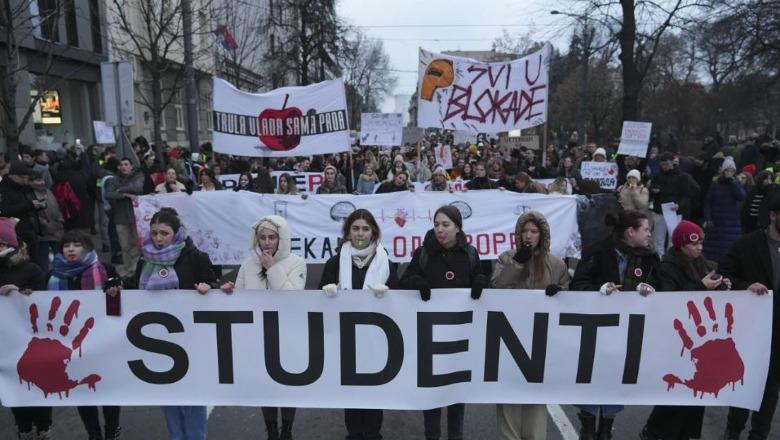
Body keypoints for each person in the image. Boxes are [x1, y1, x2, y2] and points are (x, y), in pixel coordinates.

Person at [400, 205, 489, 440]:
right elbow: (405, 280)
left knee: (456, 393)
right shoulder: (424, 253)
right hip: (430, 337)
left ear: (457, 227)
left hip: (459, 336)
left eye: (446, 225)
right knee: (432, 394)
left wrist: (481, 281)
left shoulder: (469, 253)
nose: (440, 229)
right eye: (437, 224)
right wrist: (417, 281)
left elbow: (481, 281)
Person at [571, 209, 659, 439]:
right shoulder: (597, 252)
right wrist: (598, 291)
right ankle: (588, 426)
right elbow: (577, 286)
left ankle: (607, 427)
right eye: (646, 229)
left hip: (629, 332)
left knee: (616, 378)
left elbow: (662, 287)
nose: (650, 234)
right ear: (631, 231)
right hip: (596, 330)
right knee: (592, 376)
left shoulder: (649, 258)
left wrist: (650, 290)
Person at [133, 208, 220, 440]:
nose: (159, 238)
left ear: (176, 232)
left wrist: (208, 288)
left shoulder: (195, 257)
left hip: (191, 337)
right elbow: (134, 290)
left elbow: (214, 285)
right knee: (168, 395)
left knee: (193, 394)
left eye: (164, 233)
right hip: (157, 339)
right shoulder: (145, 258)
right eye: (154, 233)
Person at [640, 221, 731, 440]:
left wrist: (723, 286)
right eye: (694, 243)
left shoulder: (702, 264)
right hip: (677, 339)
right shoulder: (668, 267)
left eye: (701, 242)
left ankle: (680, 434)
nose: (699, 247)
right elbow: (672, 299)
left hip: (698, 339)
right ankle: (656, 431)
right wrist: (702, 287)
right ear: (681, 244)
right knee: (678, 391)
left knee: (694, 392)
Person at [221, 215, 306, 440]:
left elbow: (292, 297)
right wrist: (230, 290)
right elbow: (239, 298)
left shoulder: (297, 262)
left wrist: (272, 268)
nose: (267, 242)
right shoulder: (248, 265)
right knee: (264, 387)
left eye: (272, 237)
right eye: (262, 238)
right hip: (257, 336)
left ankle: (287, 431)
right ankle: (271, 431)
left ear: (282, 238)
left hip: (287, 335)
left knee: (287, 387)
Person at [318, 209, 398, 440]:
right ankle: (353, 435)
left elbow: (401, 297)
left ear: (373, 232)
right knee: (351, 392)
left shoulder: (386, 261)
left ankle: (373, 434)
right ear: (347, 233)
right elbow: (317, 297)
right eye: (355, 228)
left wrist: (390, 293)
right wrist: (327, 294)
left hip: (377, 340)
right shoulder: (335, 262)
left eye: (365, 228)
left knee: (374, 391)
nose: (360, 233)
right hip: (345, 339)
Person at [491, 211, 570, 440]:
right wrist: (518, 263)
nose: (528, 236)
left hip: (540, 343)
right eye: (524, 231)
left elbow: (569, 295)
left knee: (535, 400)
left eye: (533, 231)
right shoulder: (507, 258)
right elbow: (496, 288)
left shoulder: (555, 264)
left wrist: (560, 293)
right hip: (509, 339)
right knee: (509, 399)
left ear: (542, 235)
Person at [46, 230, 122, 440]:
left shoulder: (105, 270)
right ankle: (93, 434)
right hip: (70, 346)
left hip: (102, 341)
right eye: (67, 245)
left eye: (77, 245)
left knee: (107, 389)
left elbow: (123, 301)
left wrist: (116, 288)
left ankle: (112, 430)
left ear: (88, 247)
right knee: (81, 391)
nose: (71, 249)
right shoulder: (53, 275)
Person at [719, 192, 780, 440]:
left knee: (770, 389)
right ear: (773, 215)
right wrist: (747, 286)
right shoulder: (748, 244)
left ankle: (759, 435)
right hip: (751, 329)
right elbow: (722, 275)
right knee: (744, 382)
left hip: (778, 333)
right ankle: (733, 431)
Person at [0, 217, 50, 439]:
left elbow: (48, 301)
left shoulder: (31, 269)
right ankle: (24, 429)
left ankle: (44, 427)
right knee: (13, 385)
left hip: (32, 338)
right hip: (5, 341)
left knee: (37, 383)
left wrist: (23, 293)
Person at [104, 158, 144, 279]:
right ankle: (128, 270)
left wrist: (119, 190)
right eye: (121, 165)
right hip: (120, 218)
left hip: (135, 217)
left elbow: (137, 187)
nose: (123, 167)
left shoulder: (138, 176)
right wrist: (125, 195)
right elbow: (108, 194)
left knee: (137, 246)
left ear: (131, 166)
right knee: (125, 246)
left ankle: (135, 269)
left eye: (126, 164)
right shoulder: (113, 179)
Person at [649, 152, 696, 256]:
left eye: (667, 164)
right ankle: (659, 261)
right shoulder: (657, 176)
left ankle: (670, 261)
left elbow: (687, 195)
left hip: (674, 211)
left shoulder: (682, 177)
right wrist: (654, 191)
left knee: (673, 239)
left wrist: (679, 205)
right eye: (662, 164)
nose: (664, 167)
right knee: (658, 239)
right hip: (659, 210)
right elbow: (651, 190)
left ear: (672, 163)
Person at [702, 157, 746, 262]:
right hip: (716, 223)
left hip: (732, 224)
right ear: (723, 171)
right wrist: (708, 218)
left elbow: (742, 196)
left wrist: (733, 182)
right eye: (727, 170)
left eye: (732, 170)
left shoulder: (737, 184)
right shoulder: (716, 184)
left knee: (729, 251)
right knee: (713, 252)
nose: (729, 172)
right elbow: (708, 202)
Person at [0, 162, 43, 253]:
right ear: (12, 176)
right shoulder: (3, 189)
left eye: (26, 177)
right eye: (22, 177)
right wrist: (29, 205)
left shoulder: (24, 188)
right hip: (16, 233)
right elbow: (5, 211)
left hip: (31, 231)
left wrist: (39, 204)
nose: (25, 180)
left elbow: (32, 203)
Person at [30, 170, 64, 273]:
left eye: (42, 179)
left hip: (57, 230)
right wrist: (46, 224)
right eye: (38, 180)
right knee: (44, 262)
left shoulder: (48, 191)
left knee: (60, 259)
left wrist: (61, 220)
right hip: (43, 234)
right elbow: (32, 214)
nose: (41, 182)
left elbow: (56, 207)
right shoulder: (30, 194)